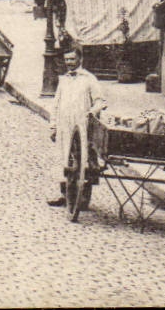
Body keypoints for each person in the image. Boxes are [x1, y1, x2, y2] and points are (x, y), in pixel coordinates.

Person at [48, 41, 106, 207]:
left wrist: (92, 112)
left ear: (80, 59)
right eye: (67, 60)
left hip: (82, 127)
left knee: (84, 162)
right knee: (63, 159)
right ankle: (65, 195)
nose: (70, 63)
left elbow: (100, 101)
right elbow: (56, 104)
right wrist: (53, 126)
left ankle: (83, 198)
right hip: (64, 127)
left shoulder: (89, 79)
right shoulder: (63, 80)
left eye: (72, 59)